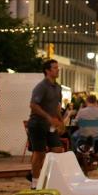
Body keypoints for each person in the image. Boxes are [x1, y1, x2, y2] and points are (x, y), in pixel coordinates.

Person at [28, 59, 65, 188]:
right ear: (47, 71)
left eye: (57, 67)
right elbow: (33, 105)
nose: (57, 70)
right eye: (55, 68)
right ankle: (35, 183)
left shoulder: (58, 87)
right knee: (39, 153)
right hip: (37, 123)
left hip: (51, 124)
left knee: (57, 150)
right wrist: (49, 118)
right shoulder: (41, 86)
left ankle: (47, 177)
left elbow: (57, 106)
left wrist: (60, 121)